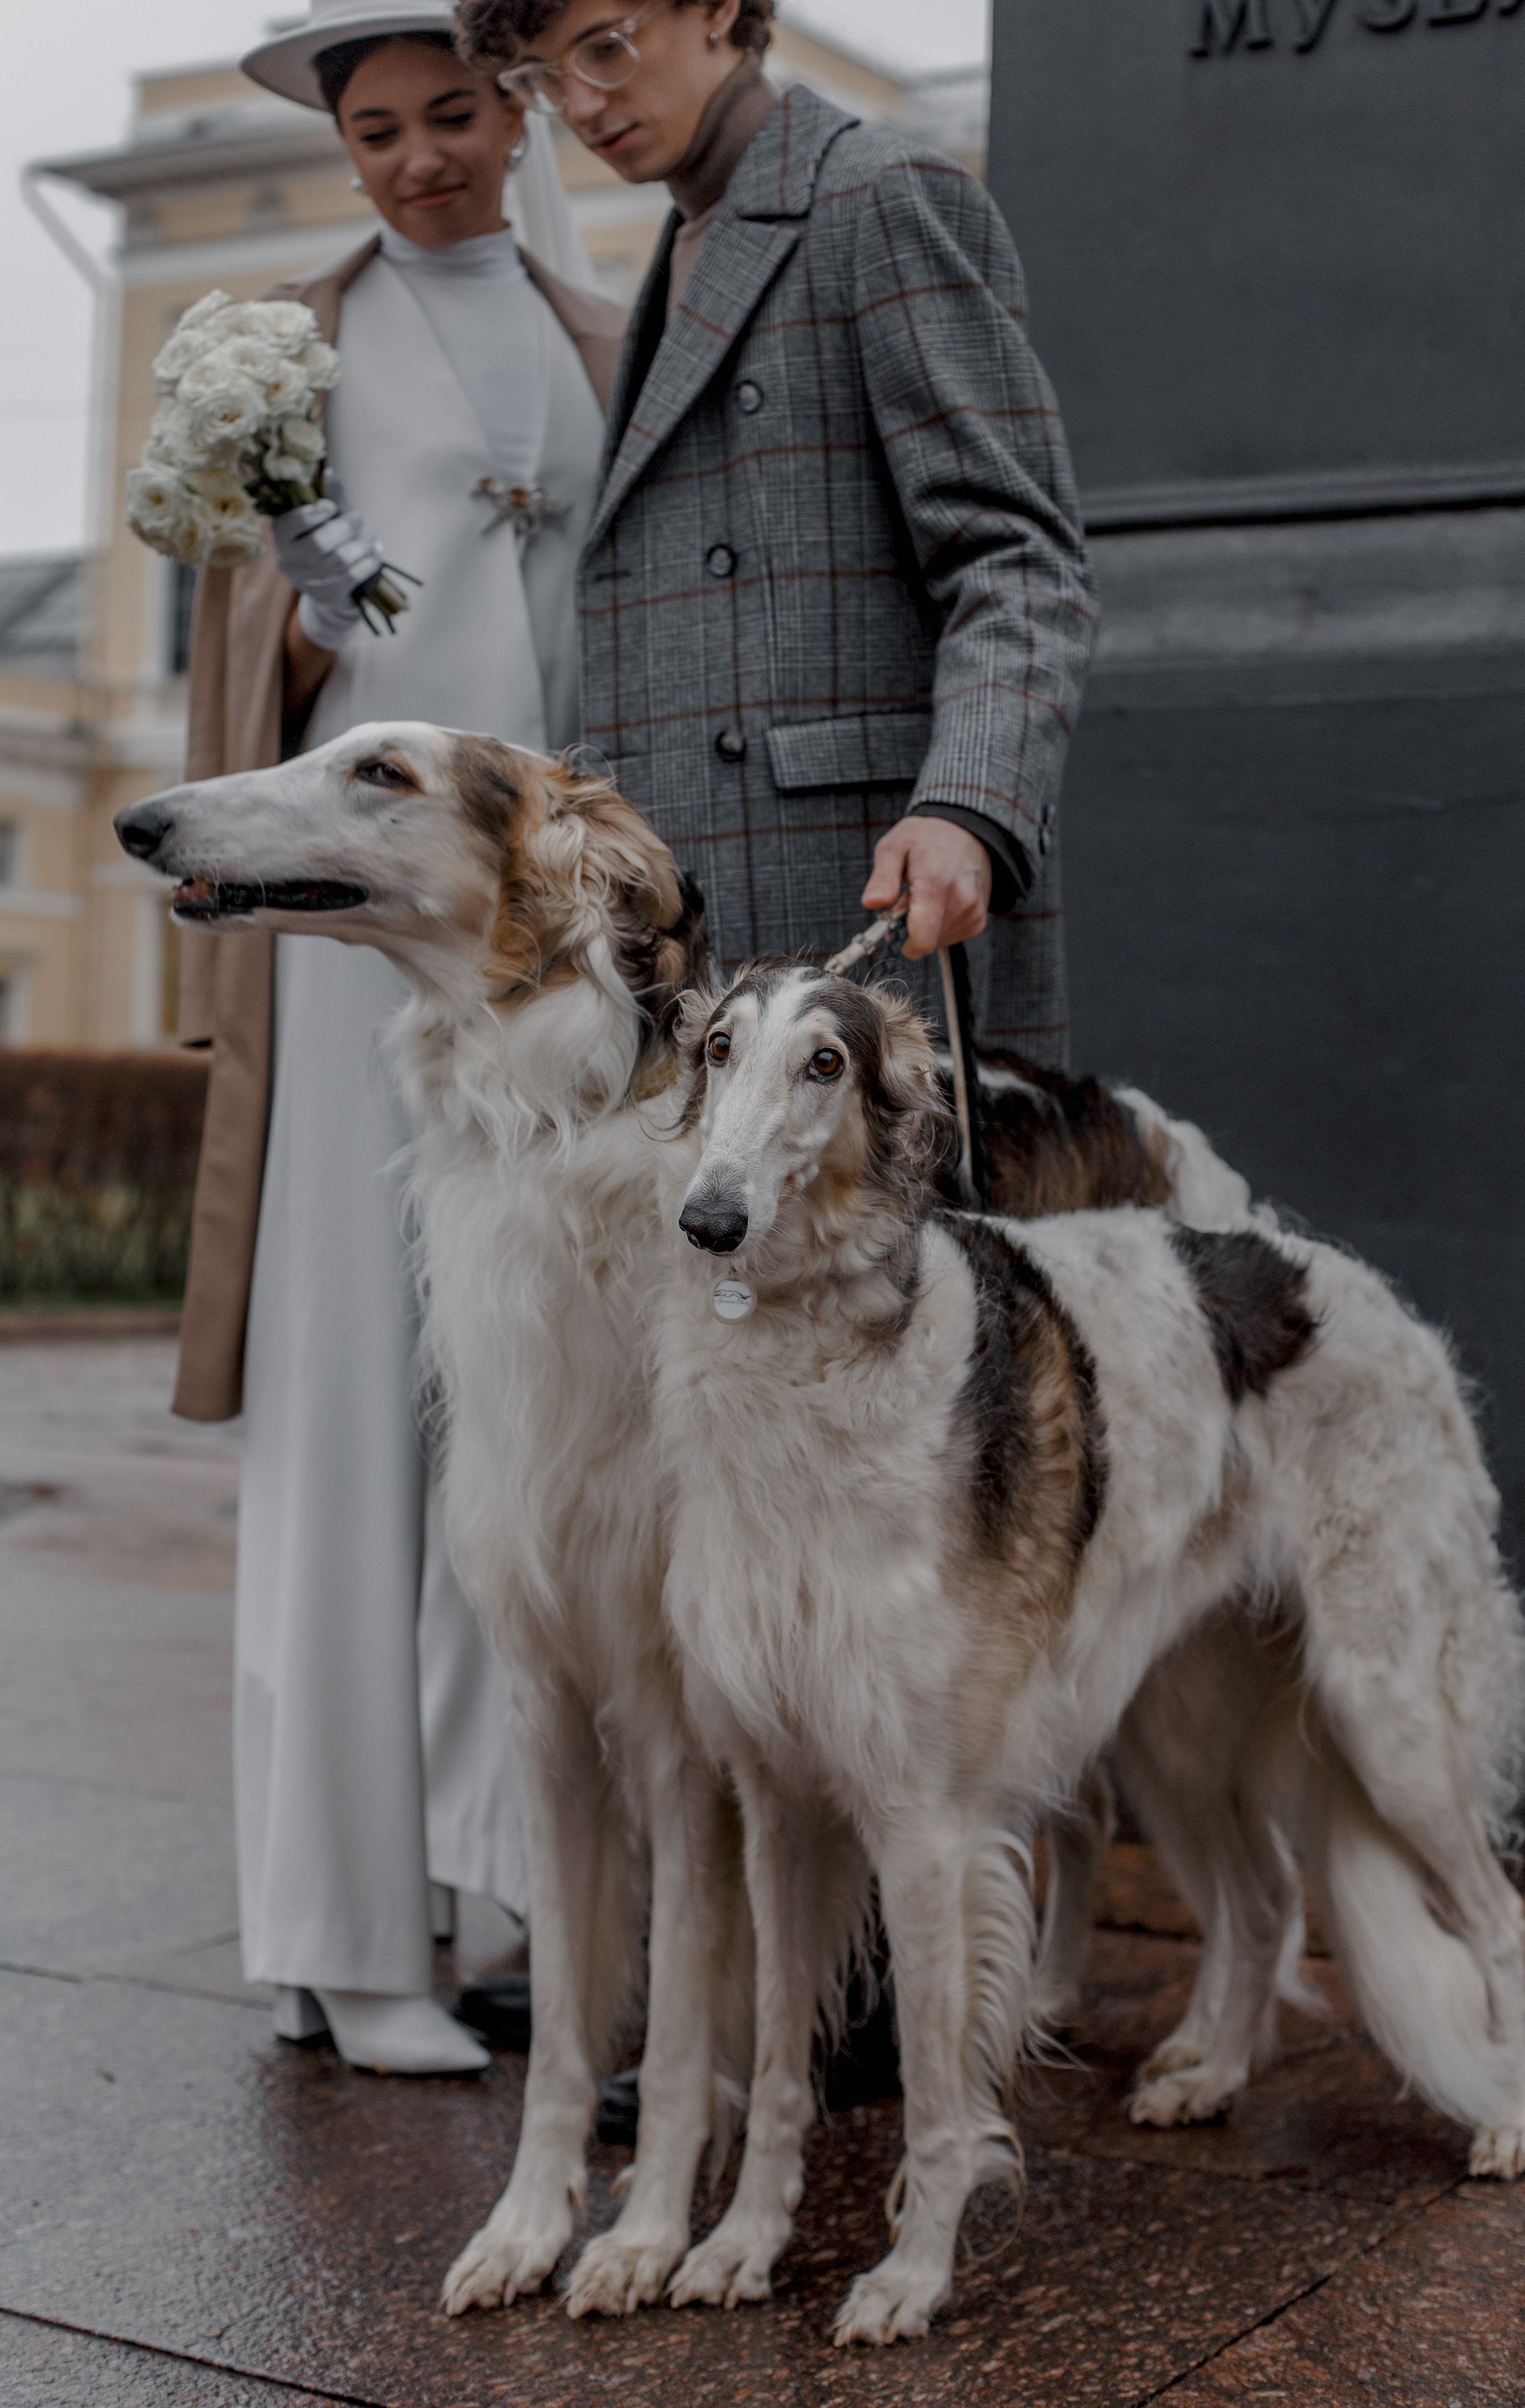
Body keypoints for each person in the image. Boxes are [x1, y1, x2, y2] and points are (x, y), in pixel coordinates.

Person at [174, 0, 626, 2073]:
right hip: (359, 958)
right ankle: (341, 1931)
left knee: (512, 1421)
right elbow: (256, 655)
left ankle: (488, 1889)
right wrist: (295, 573)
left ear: (514, 107)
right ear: (341, 142)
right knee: (348, 1430)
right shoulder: (292, 342)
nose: (422, 154)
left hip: (527, 972)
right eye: (379, 128)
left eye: (454, 112)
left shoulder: (594, 313)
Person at [454, 0, 1098, 1058]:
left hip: (864, 896)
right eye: (538, 78)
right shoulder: (679, 245)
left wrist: (971, 808)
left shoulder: (880, 196)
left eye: (604, 50)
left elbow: (1018, 557)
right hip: (703, 919)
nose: (579, 104)